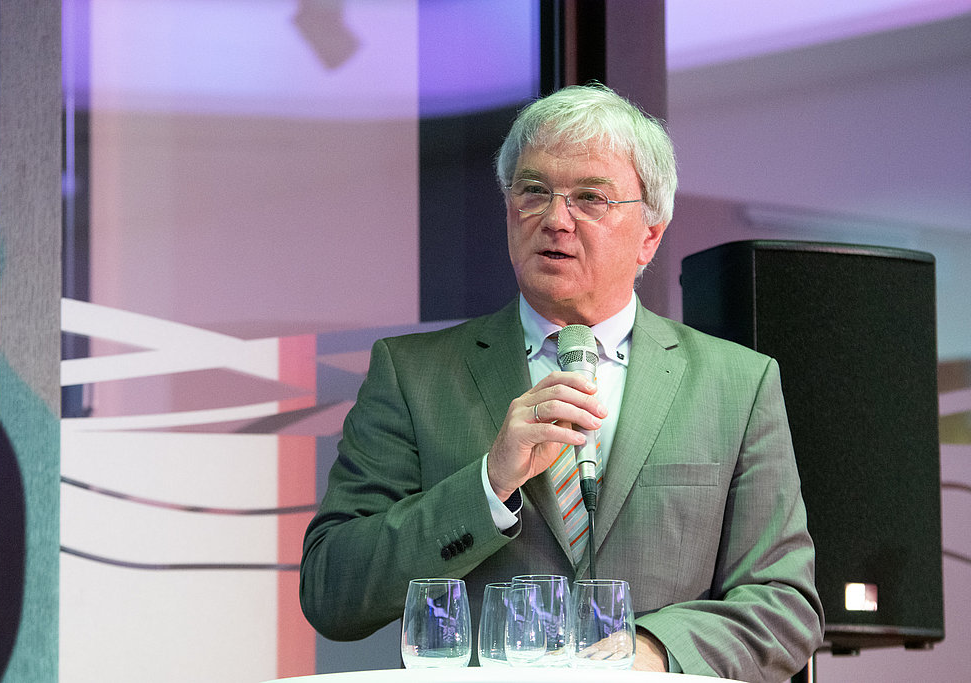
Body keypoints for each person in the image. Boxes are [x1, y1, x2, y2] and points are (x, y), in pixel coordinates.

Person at [299, 82, 824, 681]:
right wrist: (489, 485)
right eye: (533, 191)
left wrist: (654, 650)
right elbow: (331, 591)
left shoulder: (737, 384)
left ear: (650, 234)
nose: (555, 220)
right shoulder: (412, 374)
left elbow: (784, 603)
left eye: (590, 198)